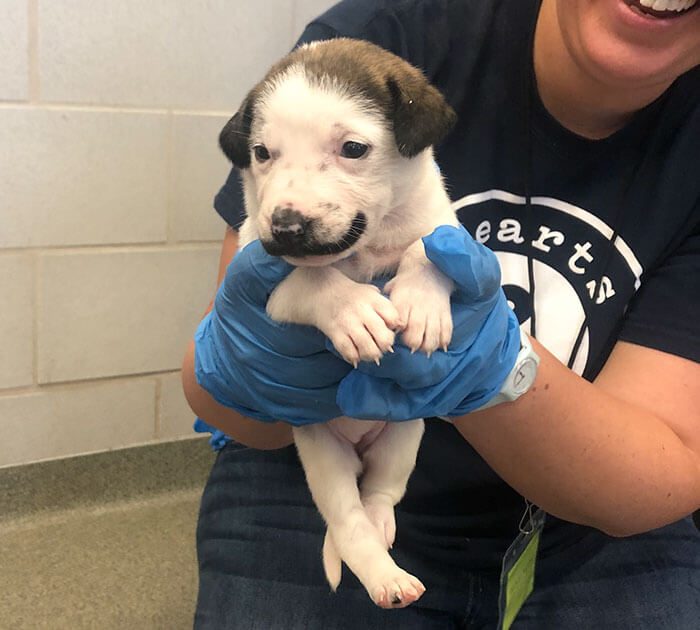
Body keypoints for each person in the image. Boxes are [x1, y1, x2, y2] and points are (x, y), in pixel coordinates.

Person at [181, 0, 700, 627]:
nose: (289, 199)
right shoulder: (370, 46)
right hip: (298, 462)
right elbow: (223, 399)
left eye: (350, 149)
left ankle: (377, 507)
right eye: (266, 157)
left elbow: (658, 477)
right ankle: (359, 530)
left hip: (578, 505)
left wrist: (500, 371)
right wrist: (241, 368)